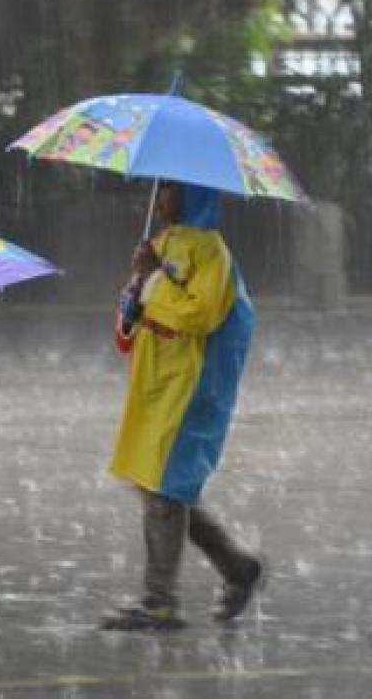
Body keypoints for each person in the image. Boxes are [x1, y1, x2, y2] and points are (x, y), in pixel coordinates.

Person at [102, 181, 265, 631]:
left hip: (190, 387)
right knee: (160, 487)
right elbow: (137, 311)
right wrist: (136, 291)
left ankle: (160, 603)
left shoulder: (212, 251)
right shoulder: (160, 242)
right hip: (156, 383)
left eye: (171, 189)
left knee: (165, 489)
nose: (160, 198)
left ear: (194, 194)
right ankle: (236, 567)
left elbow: (200, 314)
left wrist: (155, 278)